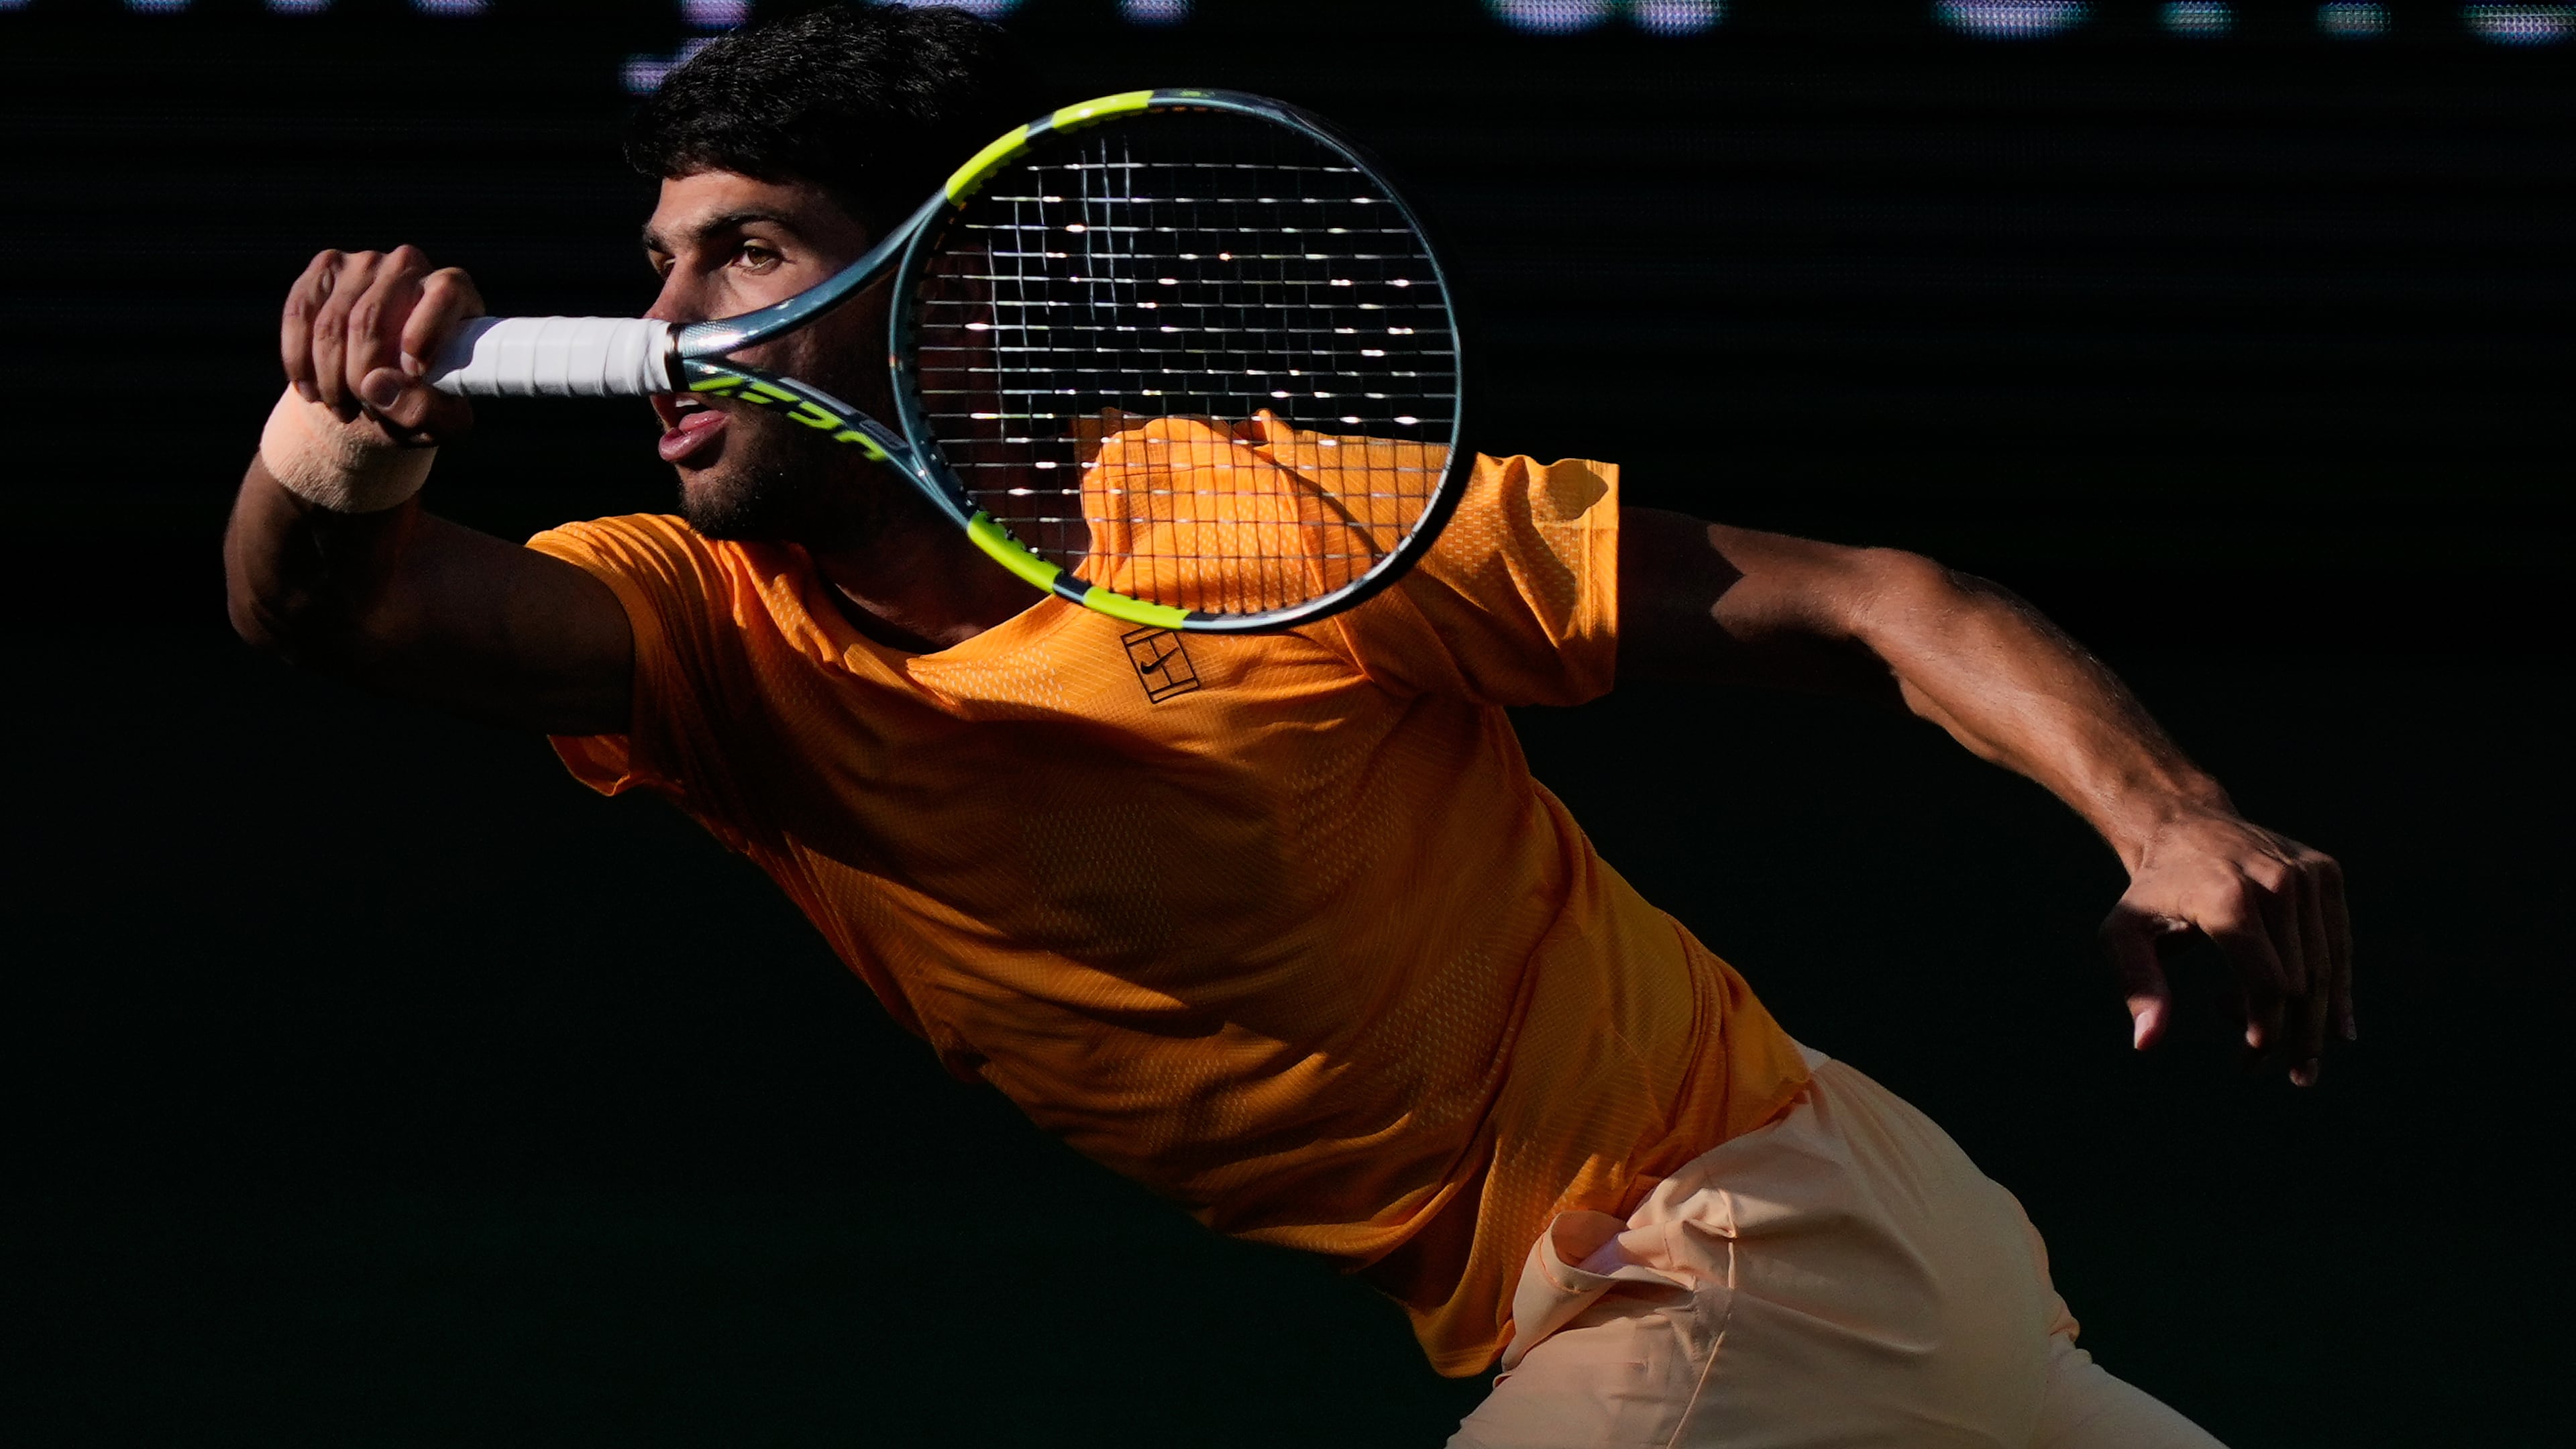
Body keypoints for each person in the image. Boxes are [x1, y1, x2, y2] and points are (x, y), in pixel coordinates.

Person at [224, 5, 2350, 1444]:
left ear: (945, 299)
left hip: (1731, 1240)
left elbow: (1885, 600)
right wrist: (338, 437)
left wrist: (2166, 819)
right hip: (1790, 1280)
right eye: (658, 263)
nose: (664, 327)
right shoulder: (702, 632)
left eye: (746, 255)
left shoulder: (1258, 519)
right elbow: (344, 609)